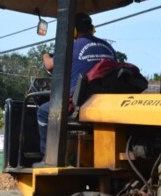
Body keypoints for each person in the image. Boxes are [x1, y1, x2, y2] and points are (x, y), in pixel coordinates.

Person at [37, 12, 117, 158]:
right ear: (92, 28)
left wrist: (45, 55)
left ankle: (47, 158)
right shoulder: (108, 47)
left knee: (43, 111)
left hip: (80, 103)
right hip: (106, 103)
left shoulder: (71, 47)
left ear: (73, 30)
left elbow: (49, 65)